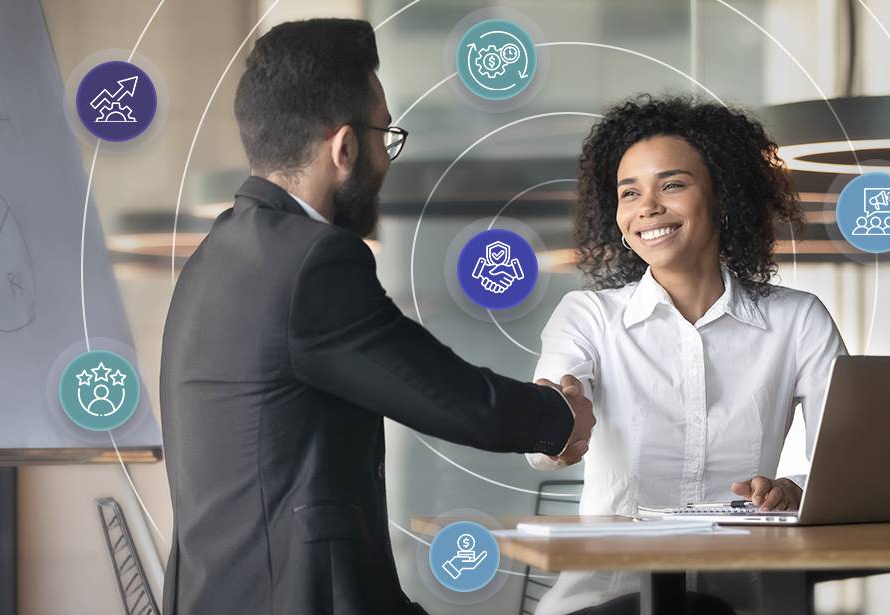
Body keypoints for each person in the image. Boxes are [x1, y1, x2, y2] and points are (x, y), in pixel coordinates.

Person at [159, 19, 593, 615]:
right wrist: (558, 417)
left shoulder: (218, 254)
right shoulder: (313, 260)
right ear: (344, 148)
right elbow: (441, 392)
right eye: (385, 135)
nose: (386, 159)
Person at [528, 95, 847, 615]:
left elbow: (848, 471)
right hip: (604, 599)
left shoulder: (797, 320)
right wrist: (556, 424)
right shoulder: (586, 316)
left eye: (672, 185)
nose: (647, 207)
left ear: (723, 196)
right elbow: (546, 436)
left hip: (740, 599)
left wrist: (794, 490)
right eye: (629, 193)